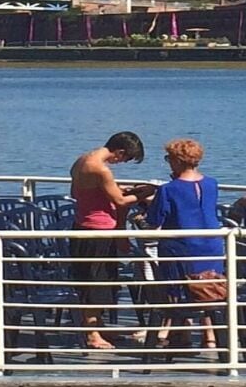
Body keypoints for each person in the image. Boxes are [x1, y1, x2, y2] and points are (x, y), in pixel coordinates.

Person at [69, 131, 151, 350]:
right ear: (120, 152)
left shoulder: (82, 160)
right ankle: (92, 333)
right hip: (97, 231)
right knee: (97, 282)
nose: (123, 163)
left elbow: (79, 193)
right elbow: (120, 201)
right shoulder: (101, 169)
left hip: (83, 225)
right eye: (126, 159)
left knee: (101, 281)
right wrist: (144, 193)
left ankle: (100, 326)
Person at [146, 138, 225, 349]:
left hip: (183, 248)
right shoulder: (212, 184)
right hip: (212, 246)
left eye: (168, 159)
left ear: (177, 161)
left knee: (179, 290)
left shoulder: (168, 190)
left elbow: (155, 221)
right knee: (210, 289)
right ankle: (210, 336)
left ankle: (183, 333)